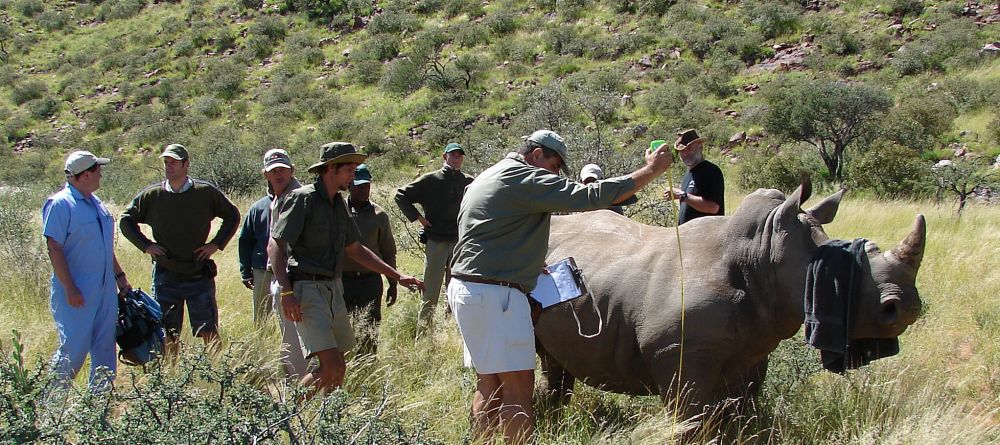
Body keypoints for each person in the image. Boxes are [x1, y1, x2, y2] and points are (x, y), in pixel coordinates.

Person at [448, 129, 674, 445]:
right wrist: (652, 170)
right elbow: (589, 197)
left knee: (489, 384)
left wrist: (522, 260)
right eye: (555, 167)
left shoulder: (488, 176)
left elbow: (484, 232)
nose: (555, 175)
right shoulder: (523, 177)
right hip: (496, 294)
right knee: (517, 392)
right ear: (537, 155)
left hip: (467, 289)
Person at [268, 142, 424, 396]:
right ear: (331, 168)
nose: (354, 175)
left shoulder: (338, 203)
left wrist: (397, 276)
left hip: (333, 288)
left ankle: (327, 422)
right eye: (349, 169)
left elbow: (355, 249)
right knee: (329, 365)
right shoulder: (302, 199)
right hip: (307, 289)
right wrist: (286, 293)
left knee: (339, 366)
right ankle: (286, 416)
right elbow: (275, 246)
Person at [120, 143, 240, 358]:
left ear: (186, 164)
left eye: (174, 162)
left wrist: (215, 244)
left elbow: (232, 215)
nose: (169, 166)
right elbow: (126, 221)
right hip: (166, 274)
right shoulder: (152, 195)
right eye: (166, 162)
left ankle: (220, 376)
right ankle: (171, 380)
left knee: (208, 330)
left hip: (198, 271)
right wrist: (146, 246)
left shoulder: (204, 192)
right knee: (167, 332)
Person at [42, 151, 131, 391]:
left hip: (104, 293)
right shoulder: (61, 204)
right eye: (97, 169)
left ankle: (96, 415)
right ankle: (50, 414)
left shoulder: (96, 203)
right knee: (73, 351)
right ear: (84, 175)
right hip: (77, 295)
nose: (101, 173)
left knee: (105, 353)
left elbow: (103, 247)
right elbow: (54, 248)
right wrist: (70, 288)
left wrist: (120, 277)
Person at [394, 142, 474, 337]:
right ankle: (423, 336)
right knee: (430, 292)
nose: (456, 158)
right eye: (452, 155)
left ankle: (454, 334)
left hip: (459, 243)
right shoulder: (431, 179)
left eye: (459, 155)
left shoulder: (469, 181)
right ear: (444, 156)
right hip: (437, 241)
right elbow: (401, 195)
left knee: (458, 291)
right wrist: (419, 218)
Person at [342, 163, 398, 356]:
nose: (363, 190)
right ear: (349, 185)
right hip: (342, 279)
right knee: (341, 328)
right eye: (358, 186)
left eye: (366, 185)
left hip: (370, 281)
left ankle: (367, 365)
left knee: (370, 327)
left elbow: (388, 251)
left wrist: (393, 283)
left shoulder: (379, 215)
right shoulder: (338, 211)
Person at [238, 149, 295, 323]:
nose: (278, 174)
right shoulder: (258, 207)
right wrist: (245, 271)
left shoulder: (301, 201)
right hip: (262, 270)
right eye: (273, 171)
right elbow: (245, 240)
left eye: (282, 170)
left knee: (290, 320)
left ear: (292, 170)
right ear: (265, 174)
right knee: (263, 318)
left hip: (292, 271)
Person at [664, 129, 724, 224]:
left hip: (708, 235)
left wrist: (682, 195)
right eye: (681, 151)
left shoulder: (711, 171)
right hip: (687, 236)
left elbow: (713, 208)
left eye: (689, 148)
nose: (685, 153)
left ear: (700, 146)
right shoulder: (688, 175)